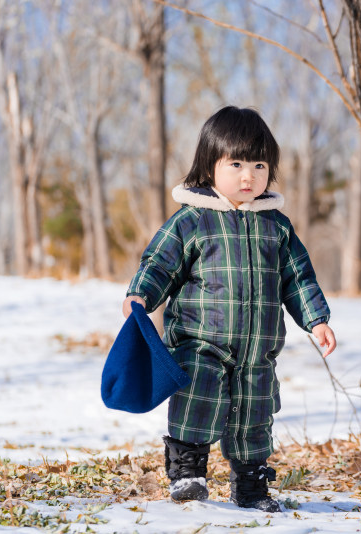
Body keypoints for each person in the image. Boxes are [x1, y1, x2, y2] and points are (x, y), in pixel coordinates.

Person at [122, 106, 336, 512]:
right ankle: (187, 471)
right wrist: (142, 295)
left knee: (254, 415)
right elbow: (159, 264)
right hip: (201, 342)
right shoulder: (191, 221)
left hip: (258, 351)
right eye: (235, 163)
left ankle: (251, 486)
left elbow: (299, 278)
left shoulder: (278, 227)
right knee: (197, 399)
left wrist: (316, 319)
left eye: (259, 165)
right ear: (209, 165)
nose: (248, 175)